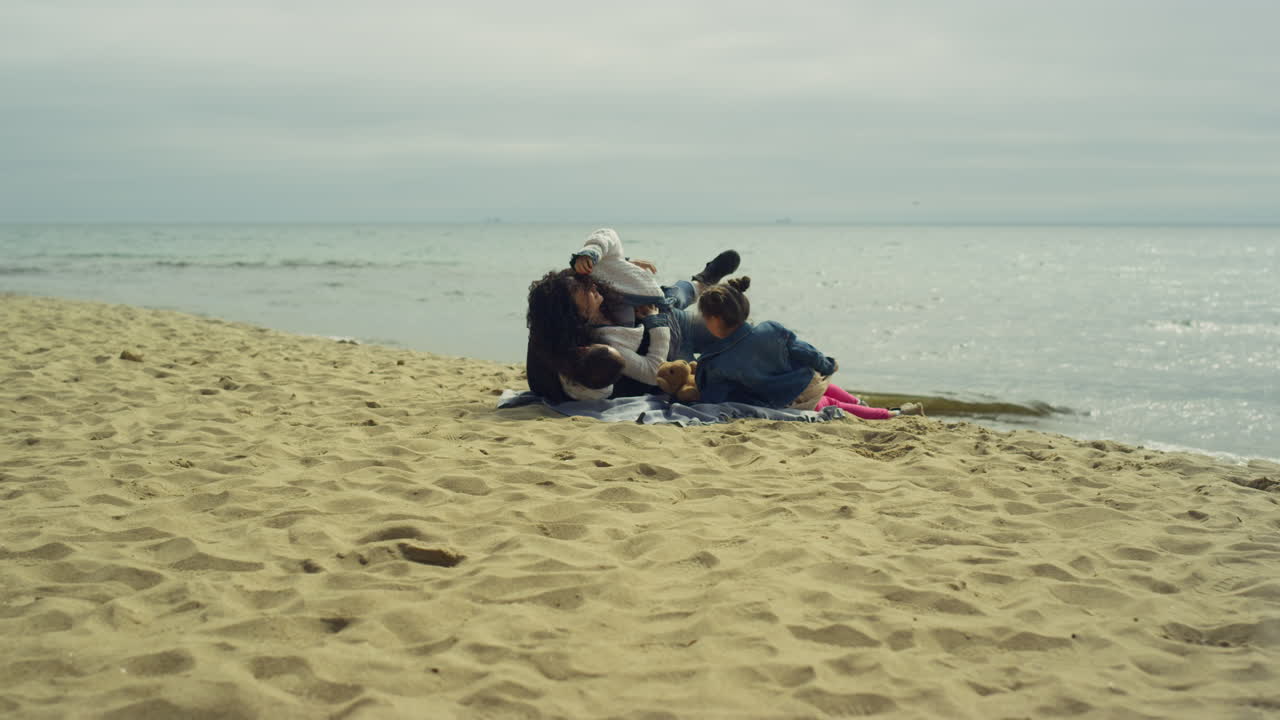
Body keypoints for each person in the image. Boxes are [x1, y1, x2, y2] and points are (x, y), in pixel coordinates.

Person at [525, 228, 739, 401]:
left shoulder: (593, 285)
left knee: (721, 321)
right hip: (673, 352)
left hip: (676, 318)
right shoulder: (604, 345)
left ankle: (703, 280)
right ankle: (703, 283)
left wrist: (612, 258)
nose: (587, 286)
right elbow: (651, 370)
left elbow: (607, 236)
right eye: (577, 291)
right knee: (722, 365)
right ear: (574, 314)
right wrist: (656, 324)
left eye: (579, 282)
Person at [694, 279, 923, 419]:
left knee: (829, 402)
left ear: (714, 319)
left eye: (704, 318)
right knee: (825, 388)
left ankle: (893, 415)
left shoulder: (716, 361)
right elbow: (804, 351)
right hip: (801, 383)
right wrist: (827, 364)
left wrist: (695, 399)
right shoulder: (770, 329)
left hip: (780, 401)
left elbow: (715, 398)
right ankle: (870, 407)